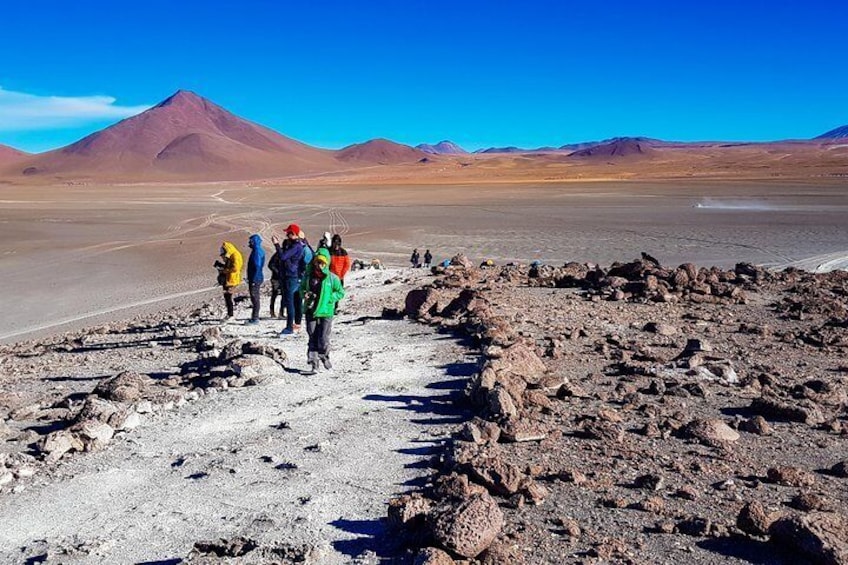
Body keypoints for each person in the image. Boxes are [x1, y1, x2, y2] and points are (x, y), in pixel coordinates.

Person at [301, 248, 345, 374]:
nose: (319, 265)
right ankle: (314, 364)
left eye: (322, 263)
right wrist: (305, 294)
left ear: (326, 263)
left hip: (326, 311)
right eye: (317, 262)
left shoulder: (332, 278)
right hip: (311, 310)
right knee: (312, 336)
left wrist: (330, 298)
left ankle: (325, 357)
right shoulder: (308, 277)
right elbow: (301, 289)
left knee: (324, 338)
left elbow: (341, 292)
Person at [271, 224, 306, 335]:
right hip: (295, 276)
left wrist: (276, 245)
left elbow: (283, 257)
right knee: (297, 302)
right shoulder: (299, 245)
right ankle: (297, 325)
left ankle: (290, 327)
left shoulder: (296, 246)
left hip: (291, 277)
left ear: (294, 234)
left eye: (288, 233)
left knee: (291, 303)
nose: (286, 235)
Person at [214, 241, 243, 320]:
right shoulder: (232, 255)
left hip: (232, 280)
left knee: (228, 297)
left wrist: (224, 271)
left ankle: (230, 315)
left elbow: (235, 268)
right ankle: (230, 314)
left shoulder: (235, 255)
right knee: (227, 297)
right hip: (229, 279)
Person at [245, 234, 265, 324]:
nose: (249, 243)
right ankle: (254, 317)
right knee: (255, 297)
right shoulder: (259, 250)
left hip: (255, 278)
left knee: (255, 298)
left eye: (250, 242)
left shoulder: (256, 251)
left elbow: (257, 265)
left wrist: (253, 279)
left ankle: (255, 318)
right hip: (257, 277)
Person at [268, 238, 288, 318]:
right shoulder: (278, 254)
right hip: (276, 278)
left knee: (284, 295)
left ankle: (281, 312)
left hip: (284, 278)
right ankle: (272, 311)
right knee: (275, 294)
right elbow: (270, 265)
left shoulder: (287, 254)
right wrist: (278, 272)